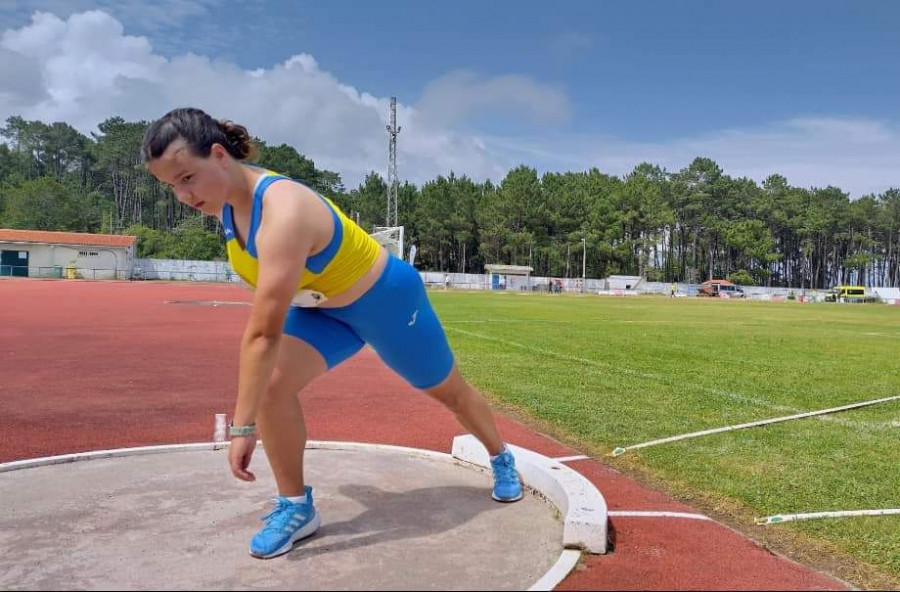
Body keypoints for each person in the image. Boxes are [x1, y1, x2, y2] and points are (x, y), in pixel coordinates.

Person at [141, 108, 523, 560]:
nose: (184, 196)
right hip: (322, 309)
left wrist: (242, 428)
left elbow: (262, 333)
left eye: (187, 177)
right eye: (172, 186)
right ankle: (296, 505)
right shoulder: (222, 202)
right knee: (271, 387)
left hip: (385, 302)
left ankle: (501, 457)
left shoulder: (283, 212)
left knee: (450, 392)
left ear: (220, 155)